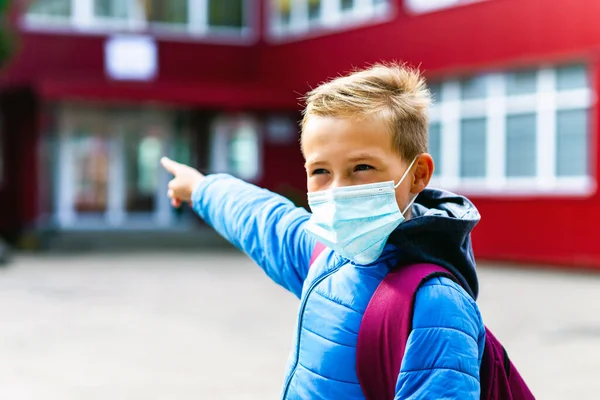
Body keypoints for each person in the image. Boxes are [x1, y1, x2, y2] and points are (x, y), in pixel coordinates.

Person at [160, 63, 485, 399]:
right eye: (320, 171)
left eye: (361, 167)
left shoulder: (436, 303)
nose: (336, 190)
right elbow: (260, 219)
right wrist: (200, 188)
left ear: (417, 174)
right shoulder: (326, 256)